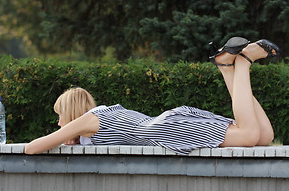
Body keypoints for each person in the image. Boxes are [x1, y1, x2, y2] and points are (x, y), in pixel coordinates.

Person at [25, 37, 280, 155]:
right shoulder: (102, 114)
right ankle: (226, 67)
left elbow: (32, 148)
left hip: (168, 129)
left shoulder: (89, 121)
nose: (59, 123)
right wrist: (74, 139)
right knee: (263, 137)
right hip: (171, 123)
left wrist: (64, 136)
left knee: (248, 135)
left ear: (71, 114)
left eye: (60, 117)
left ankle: (244, 62)